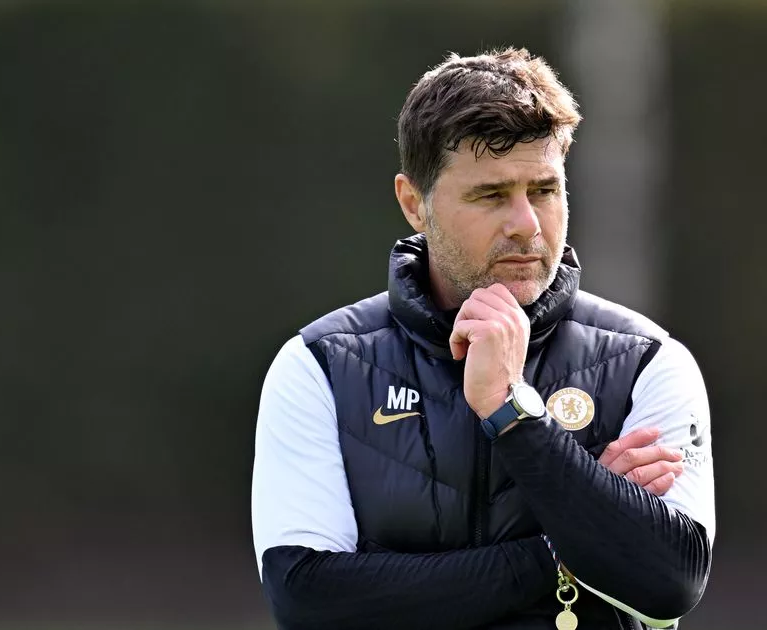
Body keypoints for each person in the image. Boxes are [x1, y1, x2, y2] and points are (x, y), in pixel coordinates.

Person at [251, 48, 715, 629]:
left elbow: (670, 584)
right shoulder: (318, 364)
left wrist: (513, 413)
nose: (526, 224)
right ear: (414, 203)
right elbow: (310, 602)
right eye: (491, 195)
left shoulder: (649, 363)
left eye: (544, 190)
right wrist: (563, 548)